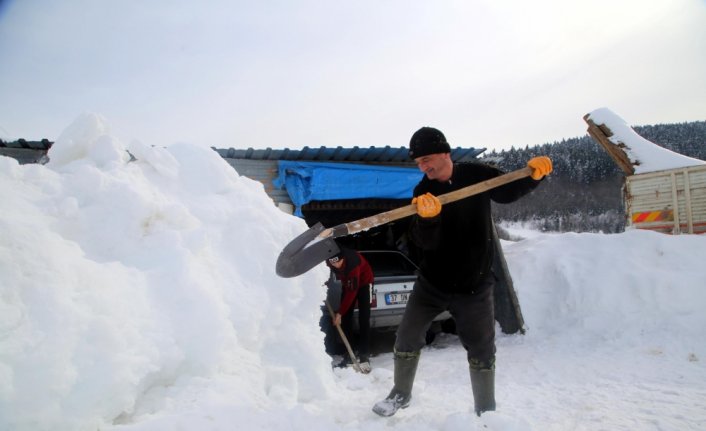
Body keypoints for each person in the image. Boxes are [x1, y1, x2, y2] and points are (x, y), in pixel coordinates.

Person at [372, 127, 552, 417]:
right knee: (407, 336)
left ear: (446, 153)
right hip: (433, 283)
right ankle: (400, 394)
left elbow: (507, 192)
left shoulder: (477, 174)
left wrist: (534, 176)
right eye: (418, 162)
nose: (423, 166)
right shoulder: (423, 193)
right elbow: (424, 243)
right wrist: (428, 220)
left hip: (474, 285)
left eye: (427, 158)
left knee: (482, 348)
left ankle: (486, 409)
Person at [325, 244, 375, 373]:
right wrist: (322, 280)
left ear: (343, 259)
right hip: (348, 283)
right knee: (346, 319)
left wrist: (339, 313)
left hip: (364, 282)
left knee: (364, 318)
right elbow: (325, 271)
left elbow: (352, 292)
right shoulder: (330, 261)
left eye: (339, 263)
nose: (336, 266)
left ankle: (364, 355)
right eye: (333, 264)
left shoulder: (353, 264)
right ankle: (350, 352)